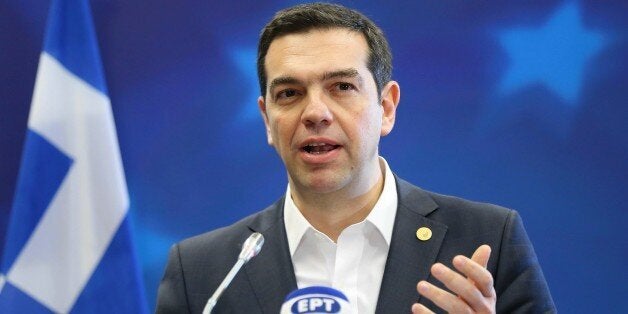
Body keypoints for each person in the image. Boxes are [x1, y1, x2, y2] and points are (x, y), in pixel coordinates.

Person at [156, 3, 555, 313]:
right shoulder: (204, 273)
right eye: (290, 93)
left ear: (386, 107)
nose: (315, 113)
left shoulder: (486, 242)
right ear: (267, 120)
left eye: (341, 86)